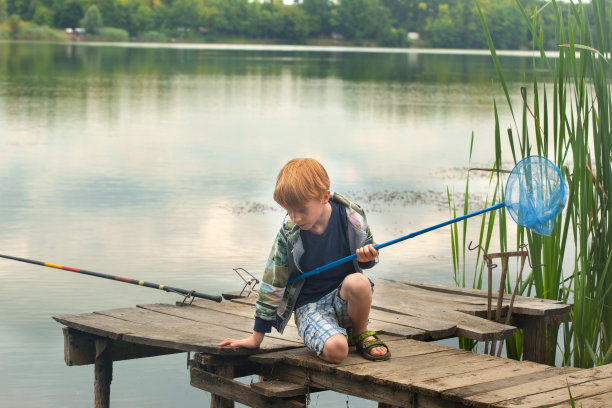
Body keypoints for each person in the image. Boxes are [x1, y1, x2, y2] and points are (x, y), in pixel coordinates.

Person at [218, 158, 390, 363]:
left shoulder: (352, 216)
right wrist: (256, 337)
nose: (295, 217)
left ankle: (360, 334)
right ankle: (332, 336)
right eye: (289, 211)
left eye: (302, 210)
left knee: (359, 281)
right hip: (311, 306)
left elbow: (368, 261)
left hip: (346, 303)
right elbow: (273, 281)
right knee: (337, 351)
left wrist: (367, 257)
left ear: (325, 197)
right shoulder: (289, 232)